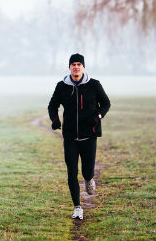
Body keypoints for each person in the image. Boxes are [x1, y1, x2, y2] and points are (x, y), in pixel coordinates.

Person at [48, 53, 111, 220]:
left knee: (87, 171)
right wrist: (55, 119)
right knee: (71, 172)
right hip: (70, 137)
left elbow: (106, 103)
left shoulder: (94, 85)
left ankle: (89, 179)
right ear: (69, 67)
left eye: (79, 64)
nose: (76, 67)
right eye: (73, 64)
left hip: (89, 136)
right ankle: (77, 207)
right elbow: (52, 105)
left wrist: (98, 116)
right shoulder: (62, 86)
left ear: (83, 67)